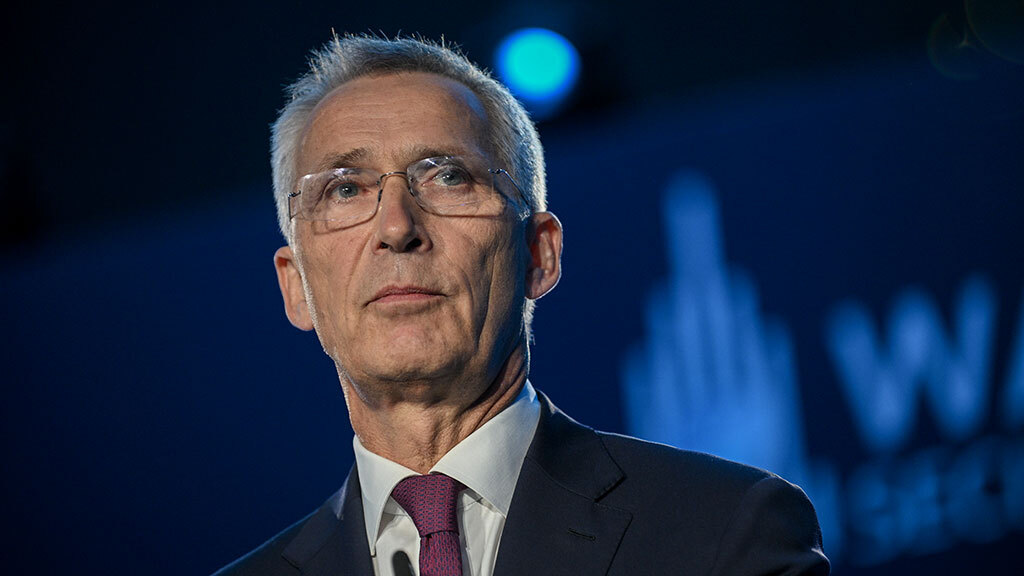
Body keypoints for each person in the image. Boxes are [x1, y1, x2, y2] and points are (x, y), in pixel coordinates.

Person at [214, 33, 830, 576]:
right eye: (345, 189)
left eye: (447, 176)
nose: (397, 227)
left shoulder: (723, 532)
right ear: (296, 286)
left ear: (539, 254)